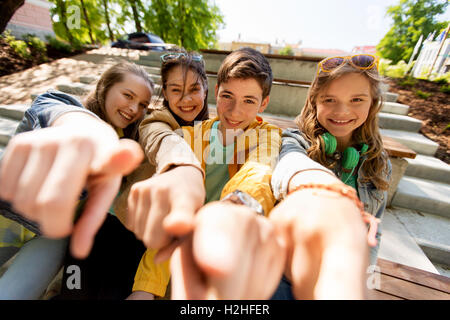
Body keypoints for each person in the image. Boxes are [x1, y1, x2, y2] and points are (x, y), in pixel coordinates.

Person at [126, 47, 286, 300]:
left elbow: (261, 168)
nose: (234, 111)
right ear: (216, 91)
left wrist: (238, 204)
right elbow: (176, 217)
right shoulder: (193, 136)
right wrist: (145, 288)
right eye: (227, 96)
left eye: (249, 101)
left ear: (264, 103)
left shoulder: (267, 136)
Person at [0, 61, 152, 299]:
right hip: (8, 212)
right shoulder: (58, 103)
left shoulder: (129, 146)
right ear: (104, 88)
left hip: (51, 236)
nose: (134, 109)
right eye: (128, 95)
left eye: (143, 104)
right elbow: (72, 120)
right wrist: (94, 133)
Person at [269, 54, 392, 299]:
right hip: (285, 272)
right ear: (314, 102)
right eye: (330, 100)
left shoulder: (380, 162)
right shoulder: (295, 142)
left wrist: (362, 273)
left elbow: (373, 231)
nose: (342, 111)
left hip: (339, 274)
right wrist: (324, 191)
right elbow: (291, 164)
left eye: (357, 99)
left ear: (373, 102)